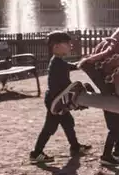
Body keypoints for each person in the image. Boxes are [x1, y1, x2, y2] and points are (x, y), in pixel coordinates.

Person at [30, 32, 91, 163]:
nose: (71, 46)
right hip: (55, 101)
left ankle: (75, 147)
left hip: (56, 99)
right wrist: (77, 100)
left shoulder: (57, 62)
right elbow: (66, 85)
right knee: (49, 128)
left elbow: (68, 67)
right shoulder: (58, 64)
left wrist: (78, 64)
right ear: (56, 47)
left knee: (68, 123)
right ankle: (36, 153)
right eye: (67, 44)